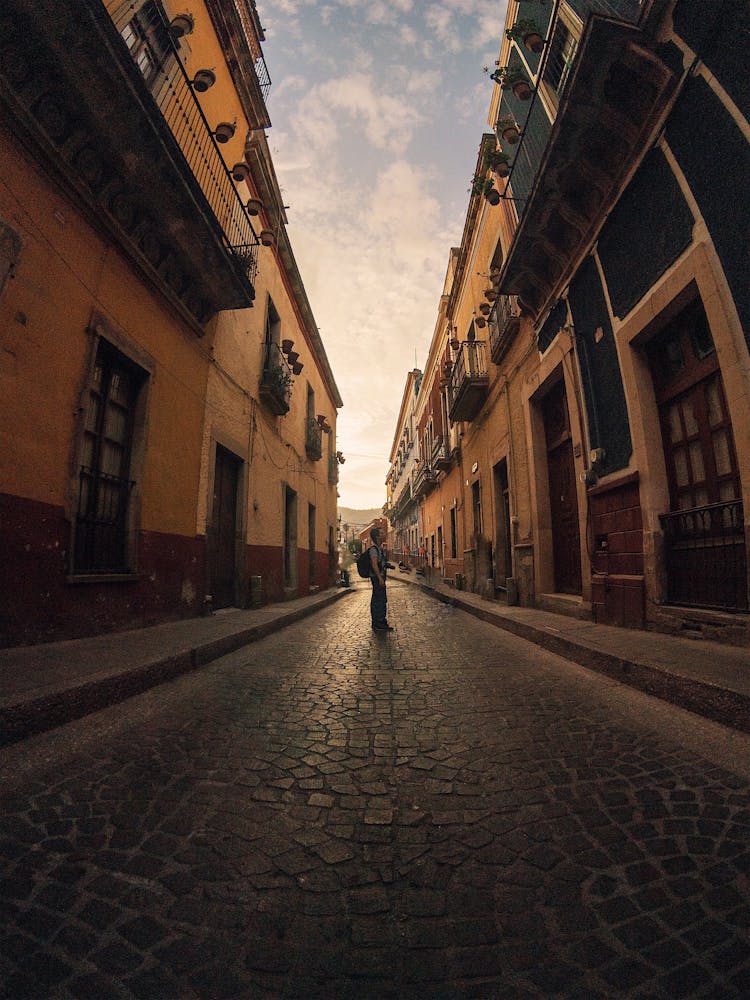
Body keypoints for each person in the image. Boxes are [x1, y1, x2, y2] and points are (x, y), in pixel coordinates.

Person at [368, 526, 393, 632]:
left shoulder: (379, 549)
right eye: (382, 533)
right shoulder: (374, 550)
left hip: (380, 577)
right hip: (377, 578)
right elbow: (374, 564)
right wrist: (379, 578)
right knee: (378, 600)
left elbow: (379, 563)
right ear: (378, 537)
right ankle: (378, 623)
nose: (384, 534)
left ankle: (381, 622)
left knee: (381, 600)